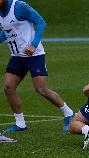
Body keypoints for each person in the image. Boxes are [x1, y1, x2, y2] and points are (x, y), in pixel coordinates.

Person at [0, 0, 74, 133]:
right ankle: (20, 124)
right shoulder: (1, 12)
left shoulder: (19, 7)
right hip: (17, 56)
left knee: (41, 89)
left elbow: (41, 22)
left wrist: (33, 45)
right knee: (8, 87)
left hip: (35, 55)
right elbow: (7, 31)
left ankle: (69, 113)